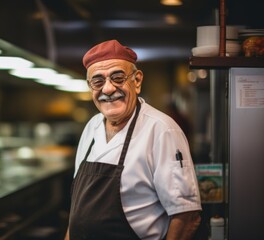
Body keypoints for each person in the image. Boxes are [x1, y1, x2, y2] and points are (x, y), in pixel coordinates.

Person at [65, 39, 201, 240]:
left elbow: (187, 215)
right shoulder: (92, 126)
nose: (108, 89)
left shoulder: (161, 129)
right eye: (98, 81)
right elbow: (79, 211)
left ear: (137, 81)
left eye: (118, 77)